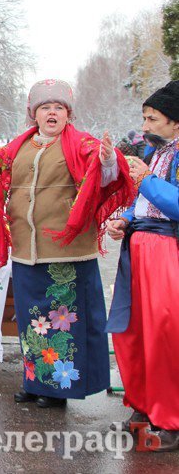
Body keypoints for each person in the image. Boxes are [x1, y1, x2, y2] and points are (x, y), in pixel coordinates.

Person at [0, 79, 134, 408]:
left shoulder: (82, 145)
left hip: (67, 255)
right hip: (27, 252)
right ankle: (36, 381)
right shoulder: (18, 148)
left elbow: (103, 178)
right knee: (34, 320)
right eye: (45, 107)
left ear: (68, 114)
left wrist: (107, 160)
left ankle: (58, 390)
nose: (52, 113)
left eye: (58, 107)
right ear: (34, 113)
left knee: (62, 323)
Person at [105, 80, 179, 451]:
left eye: (153, 119)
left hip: (167, 252)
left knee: (165, 335)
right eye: (144, 118)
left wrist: (145, 180)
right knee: (134, 330)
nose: (145, 126)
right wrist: (126, 218)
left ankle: (170, 420)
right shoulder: (158, 153)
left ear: (176, 122)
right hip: (140, 250)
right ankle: (143, 406)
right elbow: (144, 203)